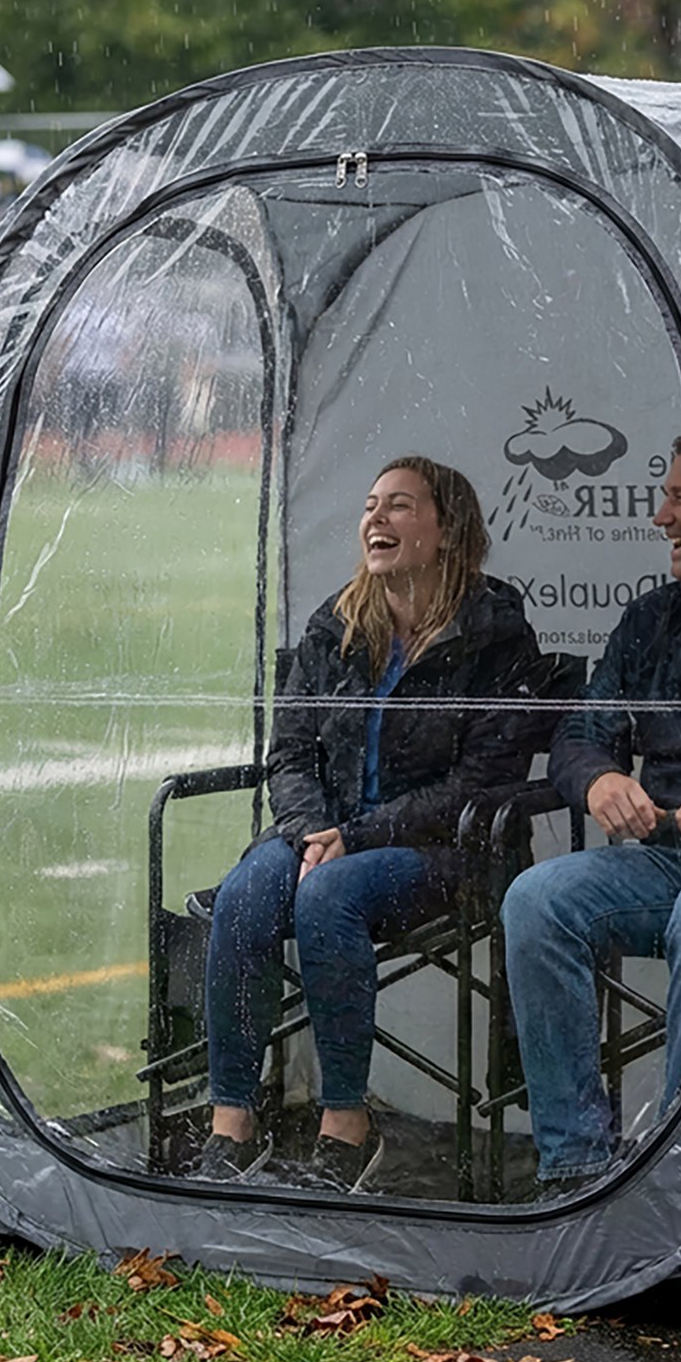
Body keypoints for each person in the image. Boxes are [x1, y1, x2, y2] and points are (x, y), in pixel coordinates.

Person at [199, 456, 545, 1192]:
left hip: (448, 850)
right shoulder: (337, 623)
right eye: (368, 506)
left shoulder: (495, 630)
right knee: (247, 894)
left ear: (448, 531)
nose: (375, 520)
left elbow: (481, 783)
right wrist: (312, 830)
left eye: (399, 506)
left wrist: (355, 838)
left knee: (328, 897)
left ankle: (347, 1129)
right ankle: (232, 1122)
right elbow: (288, 754)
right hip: (324, 835)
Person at [501, 426, 681, 1194]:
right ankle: (578, 1165)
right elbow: (580, 735)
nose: (660, 518)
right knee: (537, 898)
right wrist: (596, 777)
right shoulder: (651, 619)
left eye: (679, 500)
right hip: (670, 862)